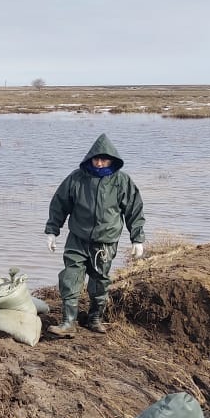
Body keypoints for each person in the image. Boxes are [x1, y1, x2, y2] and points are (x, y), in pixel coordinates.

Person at [45, 133, 146, 336]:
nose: (99, 163)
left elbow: (134, 210)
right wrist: (52, 231)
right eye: (96, 158)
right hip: (77, 239)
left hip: (105, 243)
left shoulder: (122, 182)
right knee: (71, 277)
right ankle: (68, 323)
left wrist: (137, 239)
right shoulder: (76, 179)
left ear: (112, 159)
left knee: (100, 281)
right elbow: (59, 204)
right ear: (90, 158)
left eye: (104, 159)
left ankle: (95, 318)